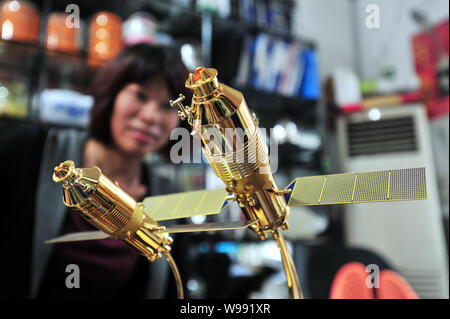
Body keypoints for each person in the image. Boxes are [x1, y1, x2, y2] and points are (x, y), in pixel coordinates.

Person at [0, 43, 190, 298]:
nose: (151, 116)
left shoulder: (171, 200)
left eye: (167, 107)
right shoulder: (29, 153)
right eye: (141, 96)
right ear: (112, 95)